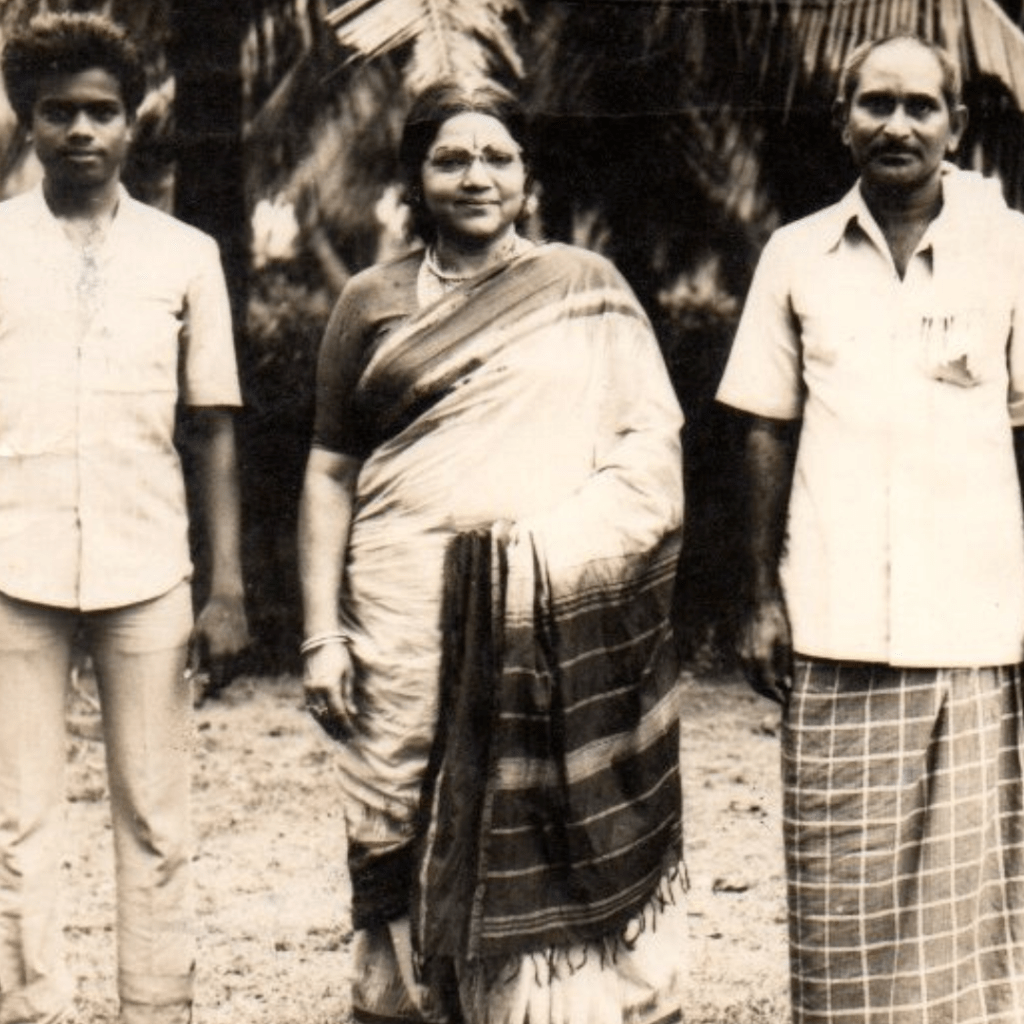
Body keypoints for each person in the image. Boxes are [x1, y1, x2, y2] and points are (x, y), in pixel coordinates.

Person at [299, 81, 687, 1024]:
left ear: (527, 175)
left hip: (550, 607)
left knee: (549, 805)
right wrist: (321, 635)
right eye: (451, 158)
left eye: (497, 157)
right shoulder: (371, 301)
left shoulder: (586, 289)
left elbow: (650, 449)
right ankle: (414, 1005)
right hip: (400, 602)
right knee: (398, 797)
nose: (476, 176)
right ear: (416, 176)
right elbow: (329, 475)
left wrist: (539, 560)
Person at [717, 32, 1024, 1024]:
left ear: (956, 126)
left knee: (967, 899)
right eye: (875, 103)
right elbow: (763, 425)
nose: (897, 124)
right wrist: (758, 593)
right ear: (841, 118)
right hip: (833, 619)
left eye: (920, 106)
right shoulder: (794, 253)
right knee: (837, 891)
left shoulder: (1010, 250)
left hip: (974, 624)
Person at [0, 13, 249, 1024]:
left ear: (135, 119)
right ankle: (32, 1004)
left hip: (148, 565)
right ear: (27, 118)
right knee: (20, 814)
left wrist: (228, 585)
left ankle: (156, 1006)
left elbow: (216, 425)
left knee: (155, 811)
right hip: (10, 562)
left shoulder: (185, 254)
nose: (82, 133)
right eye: (58, 113)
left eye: (102, 111)